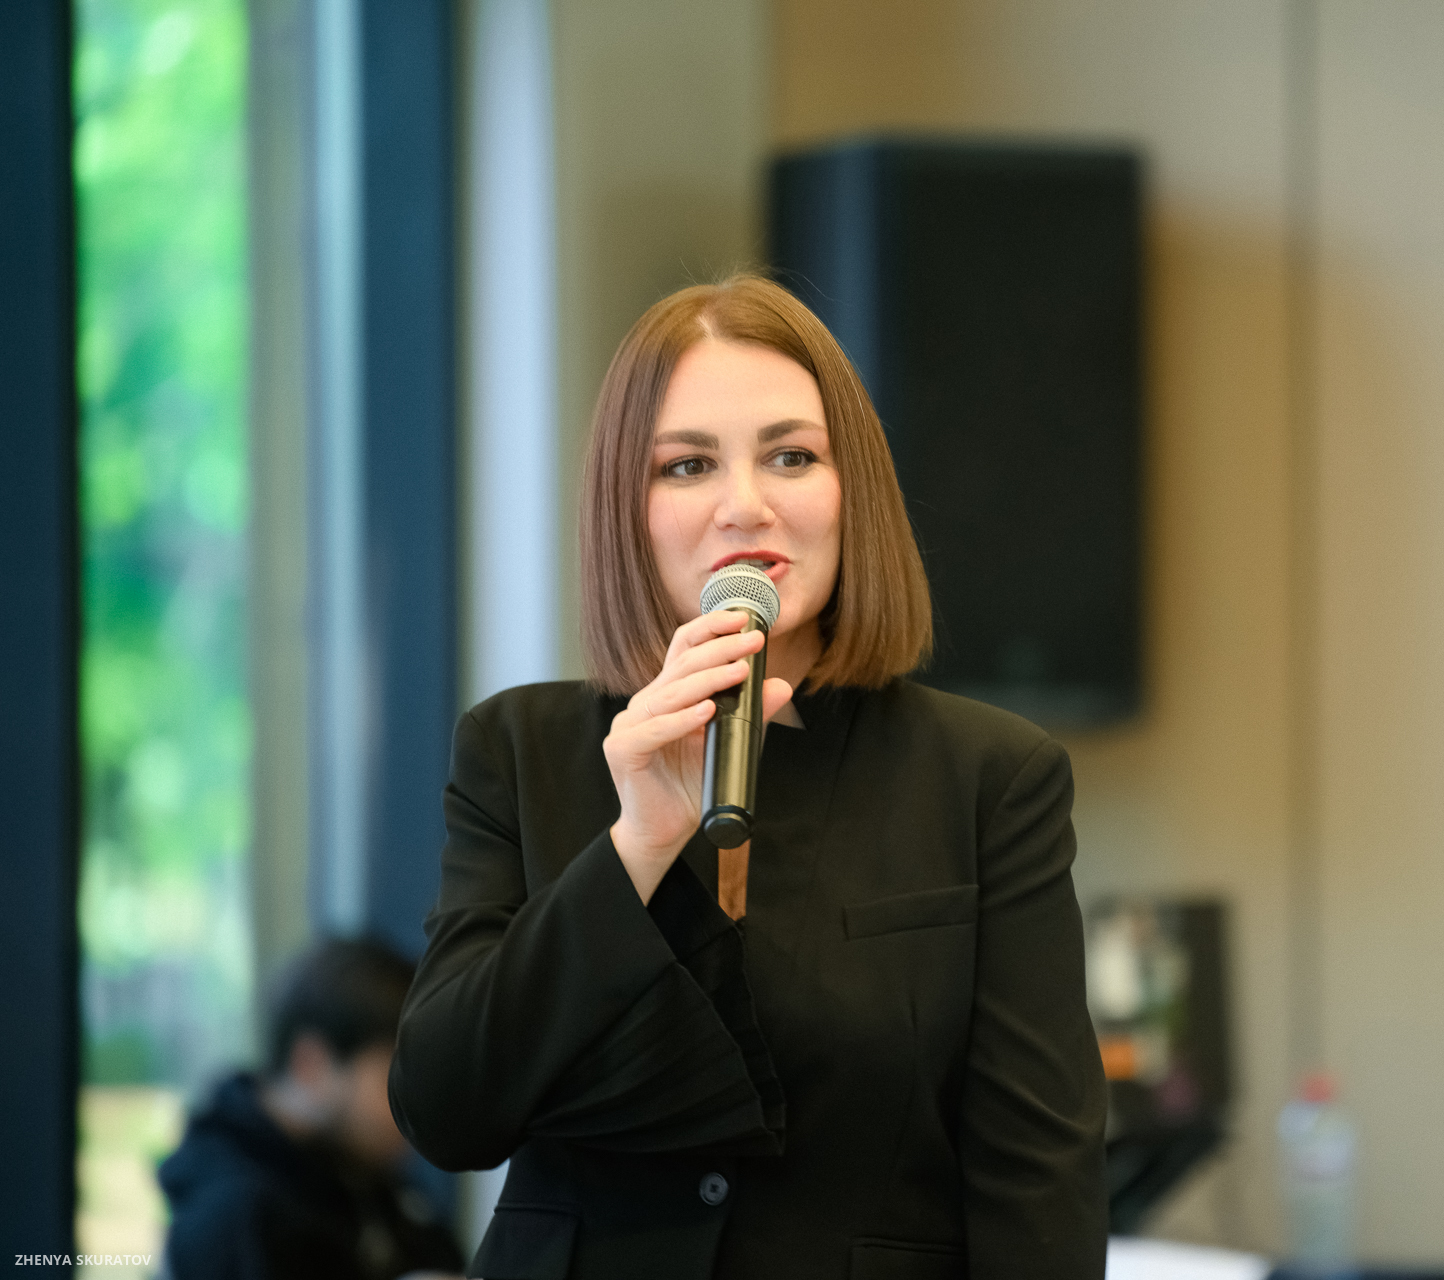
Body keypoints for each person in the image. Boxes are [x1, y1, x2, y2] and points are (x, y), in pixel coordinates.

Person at [387, 275, 1108, 1279]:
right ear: (627, 509)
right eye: (687, 465)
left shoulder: (988, 777)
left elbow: (1041, 1187)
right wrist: (635, 846)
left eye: (792, 456)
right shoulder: (518, 746)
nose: (745, 506)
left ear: (853, 490)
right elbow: (446, 1109)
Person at [158, 938, 466, 1280]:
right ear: (311, 1065)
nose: (423, 1103)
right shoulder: (234, 1219)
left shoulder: (370, 1183)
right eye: (398, 1077)